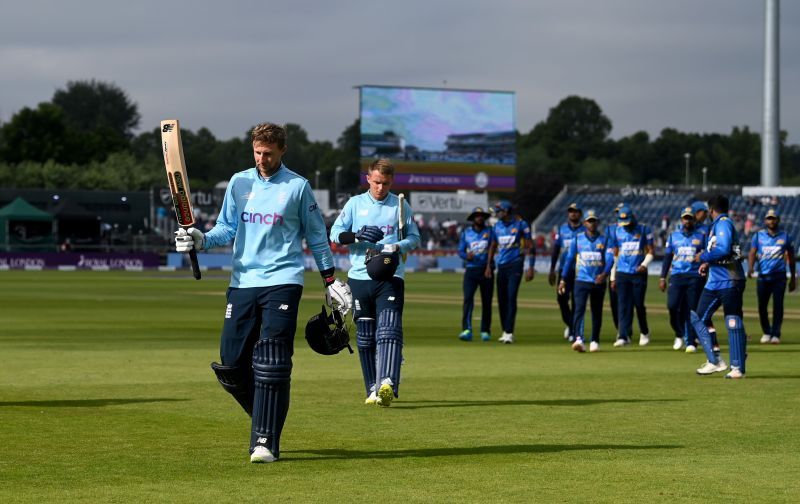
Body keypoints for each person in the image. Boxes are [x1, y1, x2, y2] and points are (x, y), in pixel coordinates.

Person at [174, 123, 352, 463]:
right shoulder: (239, 183)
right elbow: (226, 228)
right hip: (242, 282)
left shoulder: (297, 186)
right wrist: (199, 239)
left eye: (268, 153)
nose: (262, 159)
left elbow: (316, 236)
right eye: (257, 152)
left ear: (282, 150)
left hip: (283, 280)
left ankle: (264, 441)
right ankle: (265, 416)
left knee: (271, 360)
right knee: (231, 363)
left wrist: (330, 280)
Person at [330, 158, 421, 406]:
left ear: (392, 182)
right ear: (368, 178)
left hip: (391, 276)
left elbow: (414, 238)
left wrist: (396, 245)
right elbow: (335, 234)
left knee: (389, 329)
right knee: (366, 337)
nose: (381, 188)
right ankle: (372, 387)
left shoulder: (400, 206)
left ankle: (387, 383)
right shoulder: (355, 204)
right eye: (377, 182)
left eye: (386, 183)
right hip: (360, 276)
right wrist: (357, 235)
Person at [690, 195, 748, 379]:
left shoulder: (723, 223)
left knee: (733, 321)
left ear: (710, 210)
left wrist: (703, 258)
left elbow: (723, 249)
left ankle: (737, 367)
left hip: (730, 280)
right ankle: (715, 360)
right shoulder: (716, 226)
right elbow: (726, 251)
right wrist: (707, 264)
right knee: (698, 317)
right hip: (715, 281)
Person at [559, 210, 614, 353]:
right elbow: (569, 259)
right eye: (589, 221)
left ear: (598, 222)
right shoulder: (577, 239)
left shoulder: (605, 240)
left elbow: (610, 259)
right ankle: (579, 338)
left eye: (594, 220)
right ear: (585, 223)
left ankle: (595, 340)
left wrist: (604, 274)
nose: (592, 223)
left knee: (597, 311)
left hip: (598, 281)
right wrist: (563, 279)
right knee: (579, 309)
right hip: (581, 280)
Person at [486, 200, 534, 344]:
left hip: (516, 265)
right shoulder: (496, 226)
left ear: (506, 211)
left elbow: (530, 246)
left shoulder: (521, 224)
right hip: (501, 267)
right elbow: (493, 246)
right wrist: (488, 265)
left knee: (511, 297)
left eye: (499, 210)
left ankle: (509, 332)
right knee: (502, 300)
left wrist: (530, 267)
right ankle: (505, 330)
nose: (497, 213)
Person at [659, 207, 706, 352]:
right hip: (677, 275)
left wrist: (704, 260)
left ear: (693, 219)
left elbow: (707, 254)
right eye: (685, 218)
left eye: (690, 218)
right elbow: (667, 258)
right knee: (672, 306)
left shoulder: (701, 236)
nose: (687, 221)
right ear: (681, 220)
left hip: (694, 276)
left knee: (692, 310)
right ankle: (679, 333)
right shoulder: (673, 236)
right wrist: (662, 277)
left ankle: (691, 341)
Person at [748, 208, 797, 344]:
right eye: (769, 218)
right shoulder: (758, 236)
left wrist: (793, 278)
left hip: (779, 277)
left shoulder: (785, 236)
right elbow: (752, 252)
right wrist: (751, 268)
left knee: (778, 306)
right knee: (762, 306)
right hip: (763, 277)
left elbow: (792, 259)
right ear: (765, 221)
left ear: (778, 220)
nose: (771, 221)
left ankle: (776, 334)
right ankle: (766, 332)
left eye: (773, 218)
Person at [609, 205, 654, 347]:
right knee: (622, 305)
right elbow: (615, 255)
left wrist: (644, 265)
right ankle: (623, 335)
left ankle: (644, 331)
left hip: (638, 273)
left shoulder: (644, 229)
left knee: (638, 304)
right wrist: (612, 276)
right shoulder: (616, 231)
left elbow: (651, 251)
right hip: (622, 273)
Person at [457, 206, 496, 342]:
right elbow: (460, 250)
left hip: (486, 270)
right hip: (471, 270)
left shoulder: (490, 231)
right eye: (477, 215)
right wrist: (465, 255)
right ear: (473, 218)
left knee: (487, 301)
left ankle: (485, 330)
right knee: (468, 300)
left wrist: (489, 266)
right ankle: (467, 329)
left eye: (481, 216)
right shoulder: (466, 233)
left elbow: (494, 247)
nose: (479, 217)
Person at [549, 202, 585, 342]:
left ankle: (575, 331)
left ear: (580, 214)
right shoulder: (562, 229)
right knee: (561, 299)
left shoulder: (585, 229)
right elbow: (556, 249)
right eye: (571, 211)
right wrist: (552, 269)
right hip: (564, 270)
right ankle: (571, 325)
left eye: (576, 211)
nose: (573, 214)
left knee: (577, 302)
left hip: (580, 271)